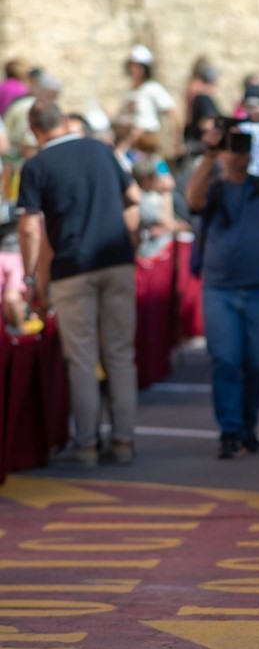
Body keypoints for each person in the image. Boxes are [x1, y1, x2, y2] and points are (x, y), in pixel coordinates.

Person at [16, 100, 141, 465]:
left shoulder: (36, 165)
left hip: (72, 267)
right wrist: (129, 244)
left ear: (35, 131)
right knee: (120, 354)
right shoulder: (101, 150)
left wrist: (30, 278)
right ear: (66, 121)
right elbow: (133, 198)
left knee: (82, 357)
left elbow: (30, 228)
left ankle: (86, 445)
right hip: (116, 261)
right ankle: (123, 441)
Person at [186, 109, 259, 458]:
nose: (237, 152)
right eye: (231, 146)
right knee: (225, 361)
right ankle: (230, 430)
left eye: (242, 146)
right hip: (220, 289)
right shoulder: (213, 186)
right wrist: (210, 154)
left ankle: (248, 427)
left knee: (257, 364)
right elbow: (192, 199)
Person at [119, 46, 180, 155]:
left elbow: (173, 114)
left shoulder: (152, 88)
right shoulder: (130, 92)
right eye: (132, 66)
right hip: (131, 144)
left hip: (147, 142)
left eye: (138, 67)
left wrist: (177, 142)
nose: (134, 70)